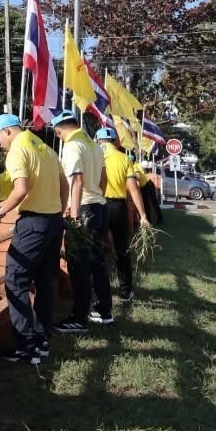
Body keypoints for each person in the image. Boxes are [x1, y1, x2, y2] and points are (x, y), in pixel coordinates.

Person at [0, 113, 66, 365]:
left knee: (15, 281)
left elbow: (21, 189)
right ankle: (41, 340)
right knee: (45, 282)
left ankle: (27, 346)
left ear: (7, 131)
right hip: (53, 221)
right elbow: (64, 185)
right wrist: (59, 210)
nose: (0, 145)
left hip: (33, 223)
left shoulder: (17, 150)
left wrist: (0, 211)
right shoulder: (46, 148)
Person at [50, 111, 112, 333]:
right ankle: (103, 311)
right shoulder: (94, 145)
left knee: (78, 265)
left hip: (83, 209)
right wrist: (98, 196)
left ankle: (79, 319)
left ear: (58, 130)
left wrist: (74, 213)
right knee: (97, 263)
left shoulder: (72, 146)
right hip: (99, 206)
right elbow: (103, 178)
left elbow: (76, 180)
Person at [96, 128, 150, 302]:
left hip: (98, 205)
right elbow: (133, 189)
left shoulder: (94, 155)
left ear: (98, 140)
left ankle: (98, 293)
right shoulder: (124, 158)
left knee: (97, 249)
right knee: (121, 249)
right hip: (118, 207)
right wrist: (143, 215)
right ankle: (126, 291)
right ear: (116, 142)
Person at [130, 152, 163, 226]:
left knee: (147, 204)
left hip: (146, 186)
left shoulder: (134, 166)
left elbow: (138, 176)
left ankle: (153, 220)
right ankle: (156, 219)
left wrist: (131, 176)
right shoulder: (137, 164)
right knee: (152, 203)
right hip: (147, 184)